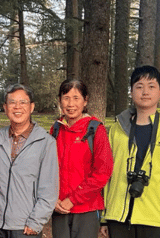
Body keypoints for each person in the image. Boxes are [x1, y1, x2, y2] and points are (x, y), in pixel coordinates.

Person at [101, 65, 160, 238]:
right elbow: (107, 174)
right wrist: (104, 217)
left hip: (155, 218)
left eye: (151, 86)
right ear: (132, 92)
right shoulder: (117, 129)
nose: (145, 92)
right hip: (117, 216)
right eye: (139, 86)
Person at [0, 84, 58, 238]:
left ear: (31, 107)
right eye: (12, 102)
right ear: (5, 108)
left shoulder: (46, 142)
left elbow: (49, 188)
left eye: (23, 102)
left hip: (24, 227)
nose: (17, 107)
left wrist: (36, 222)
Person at [50, 79, 113, 238]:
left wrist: (73, 199)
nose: (71, 104)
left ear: (85, 101)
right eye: (66, 98)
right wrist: (53, 198)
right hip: (59, 208)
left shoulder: (95, 130)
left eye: (76, 98)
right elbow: (47, 168)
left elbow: (102, 172)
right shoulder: (56, 129)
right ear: (60, 101)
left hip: (87, 209)